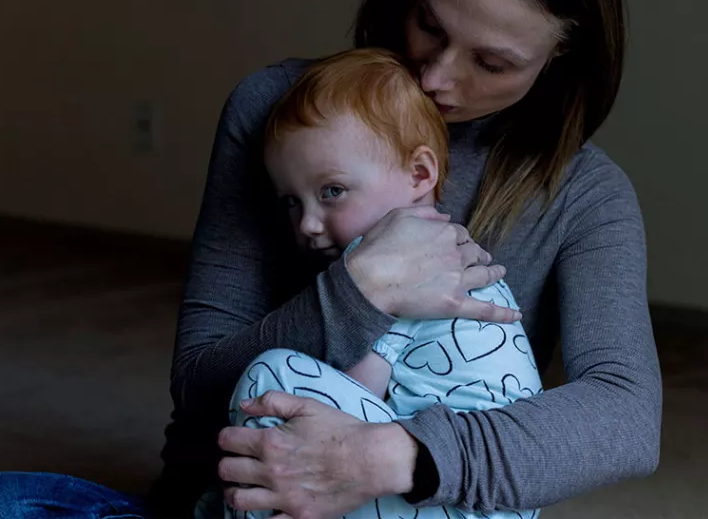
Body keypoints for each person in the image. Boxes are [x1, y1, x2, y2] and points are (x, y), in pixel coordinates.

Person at [0, 0, 661, 519]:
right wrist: (361, 287)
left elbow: (626, 418)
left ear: (562, 58)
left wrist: (381, 457)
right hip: (229, 506)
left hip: (411, 510)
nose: (438, 77)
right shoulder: (279, 111)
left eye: (493, 61)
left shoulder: (585, 195)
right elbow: (199, 383)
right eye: (429, 26)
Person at [223, 47, 544, 519]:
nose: (309, 224)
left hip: (451, 496)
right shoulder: (453, 249)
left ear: (419, 174)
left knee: (273, 379)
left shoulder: (400, 262)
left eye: (331, 191)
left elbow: (355, 395)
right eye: (292, 202)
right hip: (498, 495)